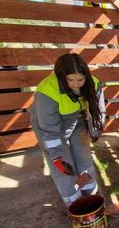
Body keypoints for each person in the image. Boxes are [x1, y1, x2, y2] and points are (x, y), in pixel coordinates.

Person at [31, 53, 105, 206]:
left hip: (77, 118)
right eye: (70, 80)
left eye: (80, 79)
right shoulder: (47, 92)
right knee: (64, 167)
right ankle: (74, 203)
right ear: (61, 76)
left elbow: (99, 110)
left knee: (84, 157)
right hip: (51, 127)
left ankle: (91, 196)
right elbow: (49, 130)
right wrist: (56, 156)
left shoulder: (94, 84)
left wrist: (96, 129)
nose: (76, 84)